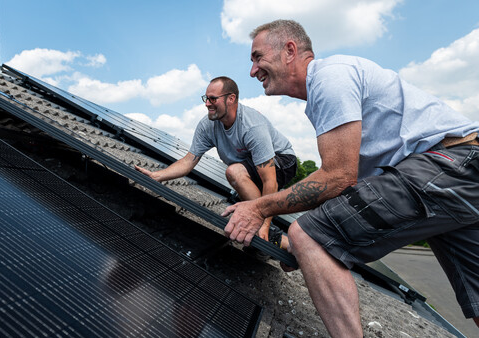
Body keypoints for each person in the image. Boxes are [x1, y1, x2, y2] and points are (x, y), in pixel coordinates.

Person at [222, 19, 479, 336]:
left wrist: (260, 208)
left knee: (309, 235)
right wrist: (308, 251)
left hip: (443, 166)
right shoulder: (331, 86)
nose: (252, 70)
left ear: (289, 50)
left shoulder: (329, 78)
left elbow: (337, 177)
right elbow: (349, 185)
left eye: (257, 57)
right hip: (463, 173)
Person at [135, 76, 296, 241]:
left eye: (213, 99)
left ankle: (266, 233)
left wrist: (265, 225)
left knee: (234, 173)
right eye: (206, 98)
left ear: (231, 99)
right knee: (237, 176)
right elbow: (188, 161)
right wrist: (157, 176)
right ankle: (274, 239)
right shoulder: (208, 126)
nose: (207, 104)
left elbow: (270, 181)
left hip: (282, 160)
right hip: (251, 167)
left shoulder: (252, 127)